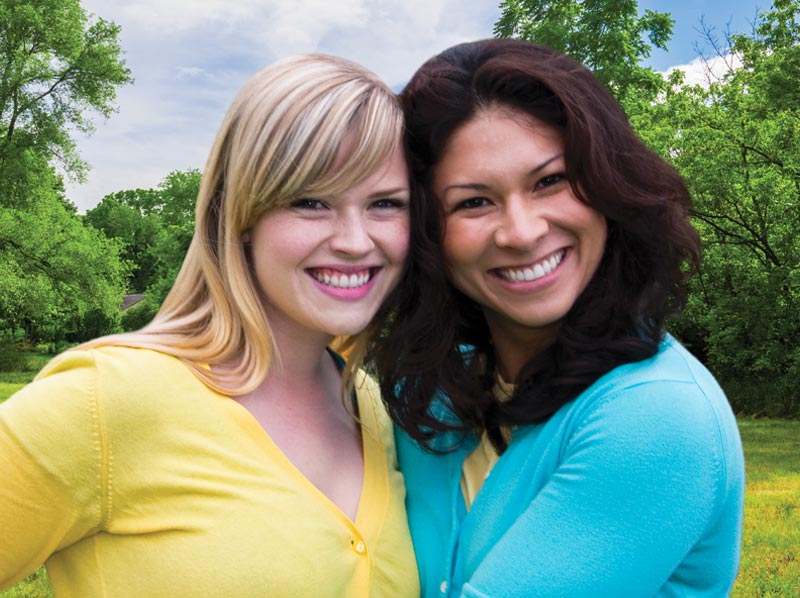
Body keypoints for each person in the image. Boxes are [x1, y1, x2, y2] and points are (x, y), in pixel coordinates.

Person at [0, 54, 419, 597]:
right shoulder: (107, 401)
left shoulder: (372, 406)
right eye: (310, 202)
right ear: (240, 215)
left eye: (386, 203)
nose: (356, 240)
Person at [372, 39, 745, 597]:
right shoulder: (431, 393)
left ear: (608, 188)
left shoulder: (658, 417)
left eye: (550, 181)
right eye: (473, 202)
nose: (521, 233)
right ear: (427, 232)